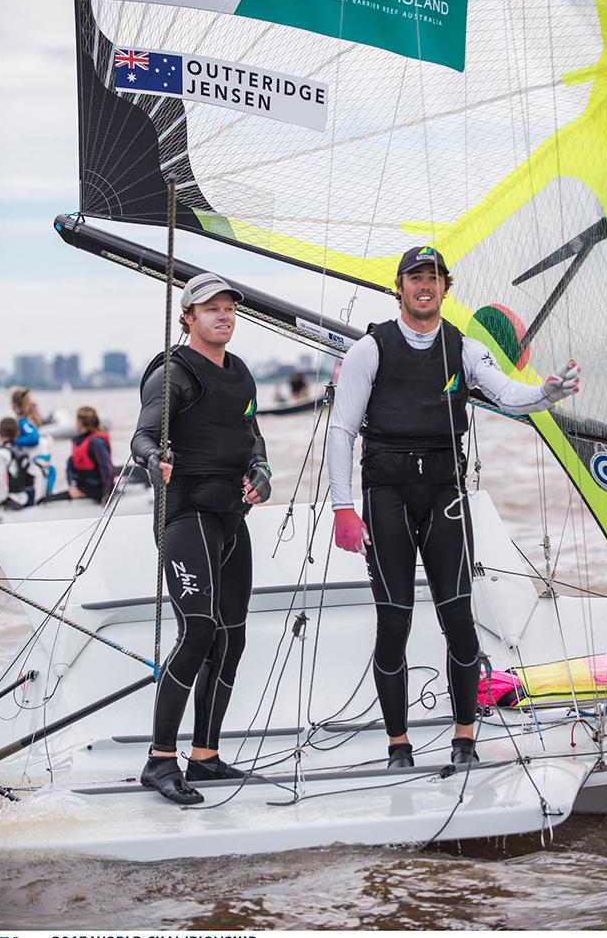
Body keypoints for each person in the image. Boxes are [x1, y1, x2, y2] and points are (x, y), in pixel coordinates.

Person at [327, 246, 582, 770]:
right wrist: (342, 509)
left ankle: (464, 739)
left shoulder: (464, 348)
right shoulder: (369, 350)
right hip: (386, 495)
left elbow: (509, 393)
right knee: (393, 619)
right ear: (398, 286)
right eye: (415, 277)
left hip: (445, 493)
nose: (425, 285)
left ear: (447, 288)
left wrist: (547, 393)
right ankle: (399, 745)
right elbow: (341, 430)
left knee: (458, 618)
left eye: (434, 278)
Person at [131, 272, 272, 805]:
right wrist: (153, 459)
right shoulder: (173, 374)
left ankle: (205, 756)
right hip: (185, 516)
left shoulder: (241, 376)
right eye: (210, 308)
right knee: (197, 631)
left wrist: (261, 470)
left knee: (230, 636)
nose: (223, 316)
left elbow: (253, 437)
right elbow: (143, 433)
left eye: (229, 308)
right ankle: (160, 760)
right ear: (187, 316)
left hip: (232, 520)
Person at [11, 387, 56, 495]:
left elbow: (33, 438)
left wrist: (14, 441)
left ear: (14, 405)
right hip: (40, 465)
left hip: (36, 465)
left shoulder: (24, 422)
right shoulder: (27, 420)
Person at [66, 406, 114, 504]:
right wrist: (72, 485)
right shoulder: (78, 441)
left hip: (96, 490)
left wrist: (106, 496)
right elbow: (71, 466)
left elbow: (107, 470)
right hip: (82, 486)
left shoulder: (97, 442)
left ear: (80, 422)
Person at [0, 417, 35, 509]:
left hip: (10, 501)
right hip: (24, 497)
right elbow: (31, 477)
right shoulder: (24, 451)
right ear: (18, 433)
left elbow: (1, 482)